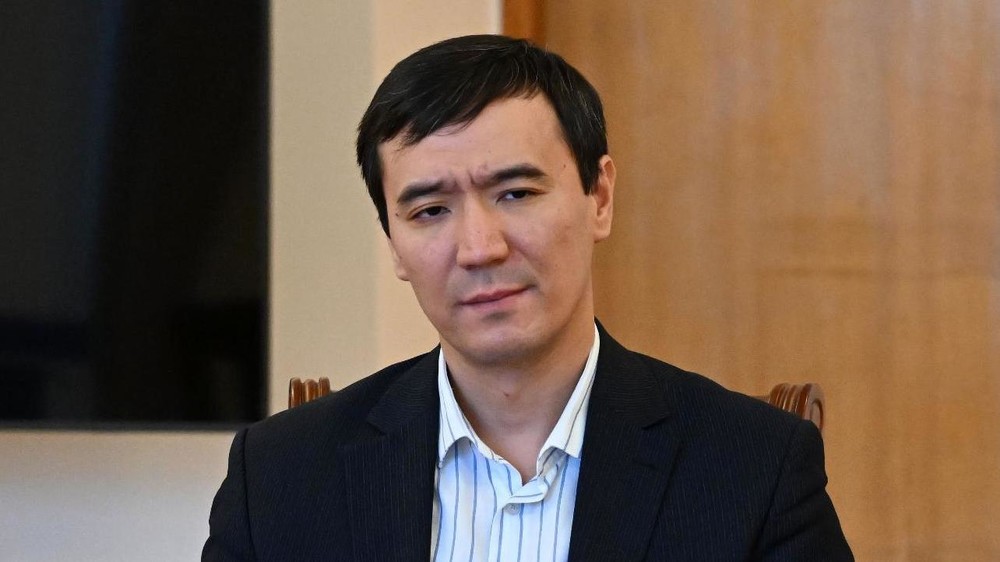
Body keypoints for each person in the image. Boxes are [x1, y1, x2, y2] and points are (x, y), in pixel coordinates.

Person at [203, 34, 853, 561]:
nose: (479, 247)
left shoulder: (754, 468)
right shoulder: (280, 476)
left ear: (599, 197)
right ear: (394, 244)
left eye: (515, 194)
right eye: (430, 211)